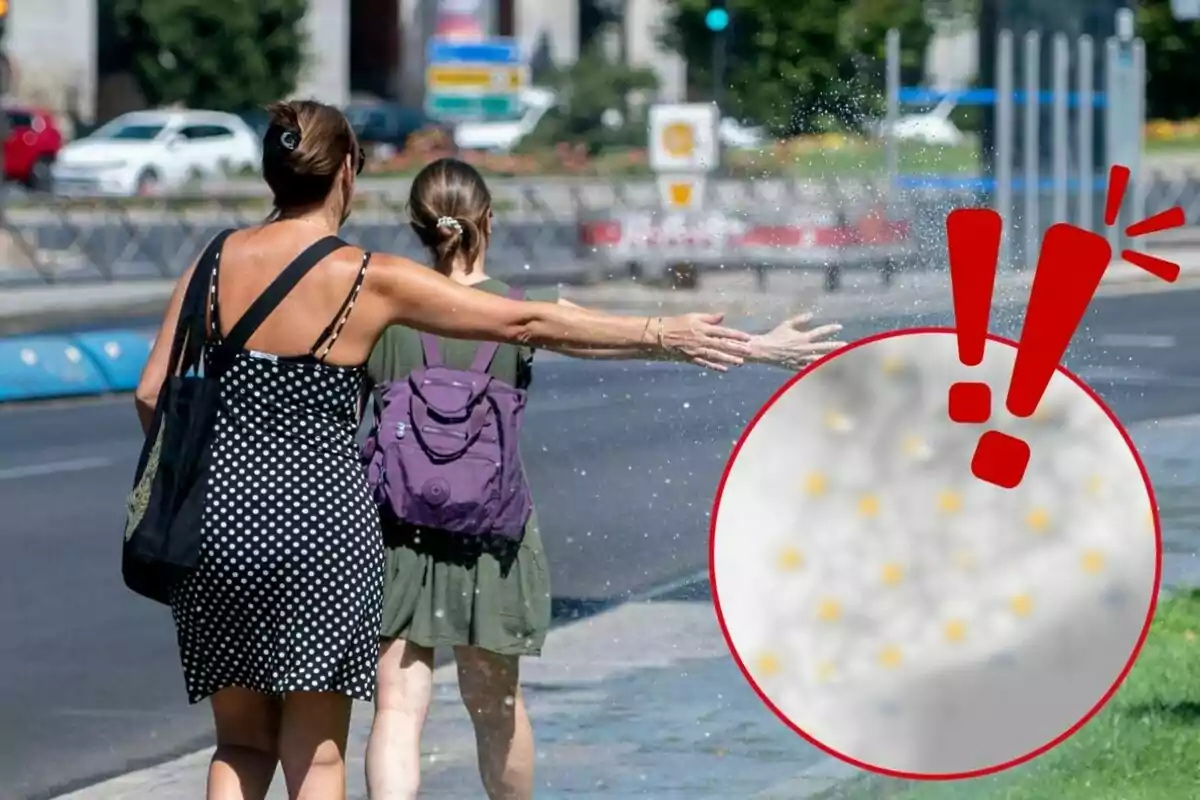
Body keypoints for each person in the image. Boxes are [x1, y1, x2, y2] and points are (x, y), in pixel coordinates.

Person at [132, 100, 762, 800]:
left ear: (271, 171)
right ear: (347, 171)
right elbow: (522, 320)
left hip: (216, 527)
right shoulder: (365, 277)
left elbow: (152, 393)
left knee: (242, 742)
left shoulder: (212, 262)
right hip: (320, 534)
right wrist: (660, 331)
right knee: (316, 754)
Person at [362, 158, 844, 800]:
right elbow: (623, 340)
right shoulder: (521, 310)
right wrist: (759, 347)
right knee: (495, 706)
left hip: (399, 530)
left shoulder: (386, 310)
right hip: (492, 533)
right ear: (489, 221)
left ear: (419, 227)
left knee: (397, 706)